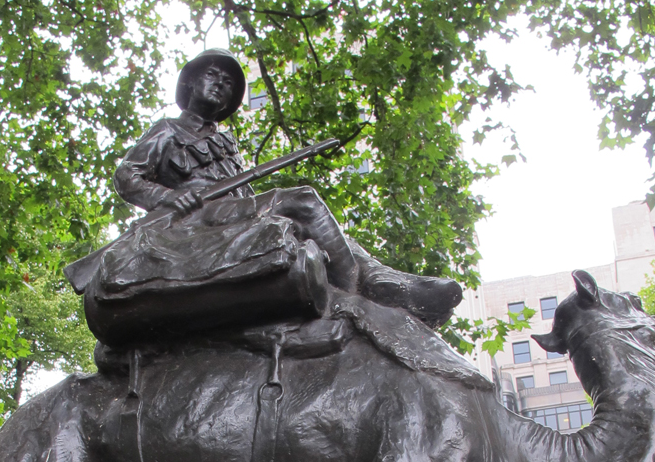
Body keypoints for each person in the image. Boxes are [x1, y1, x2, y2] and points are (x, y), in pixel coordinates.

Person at [68, 49, 462, 334]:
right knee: (303, 200)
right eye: (212, 76)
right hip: (195, 219)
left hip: (232, 216)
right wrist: (168, 198)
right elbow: (127, 176)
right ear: (189, 82)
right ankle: (360, 294)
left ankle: (387, 280)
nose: (220, 85)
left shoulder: (228, 144)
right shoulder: (167, 129)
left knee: (319, 227)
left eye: (228, 83)